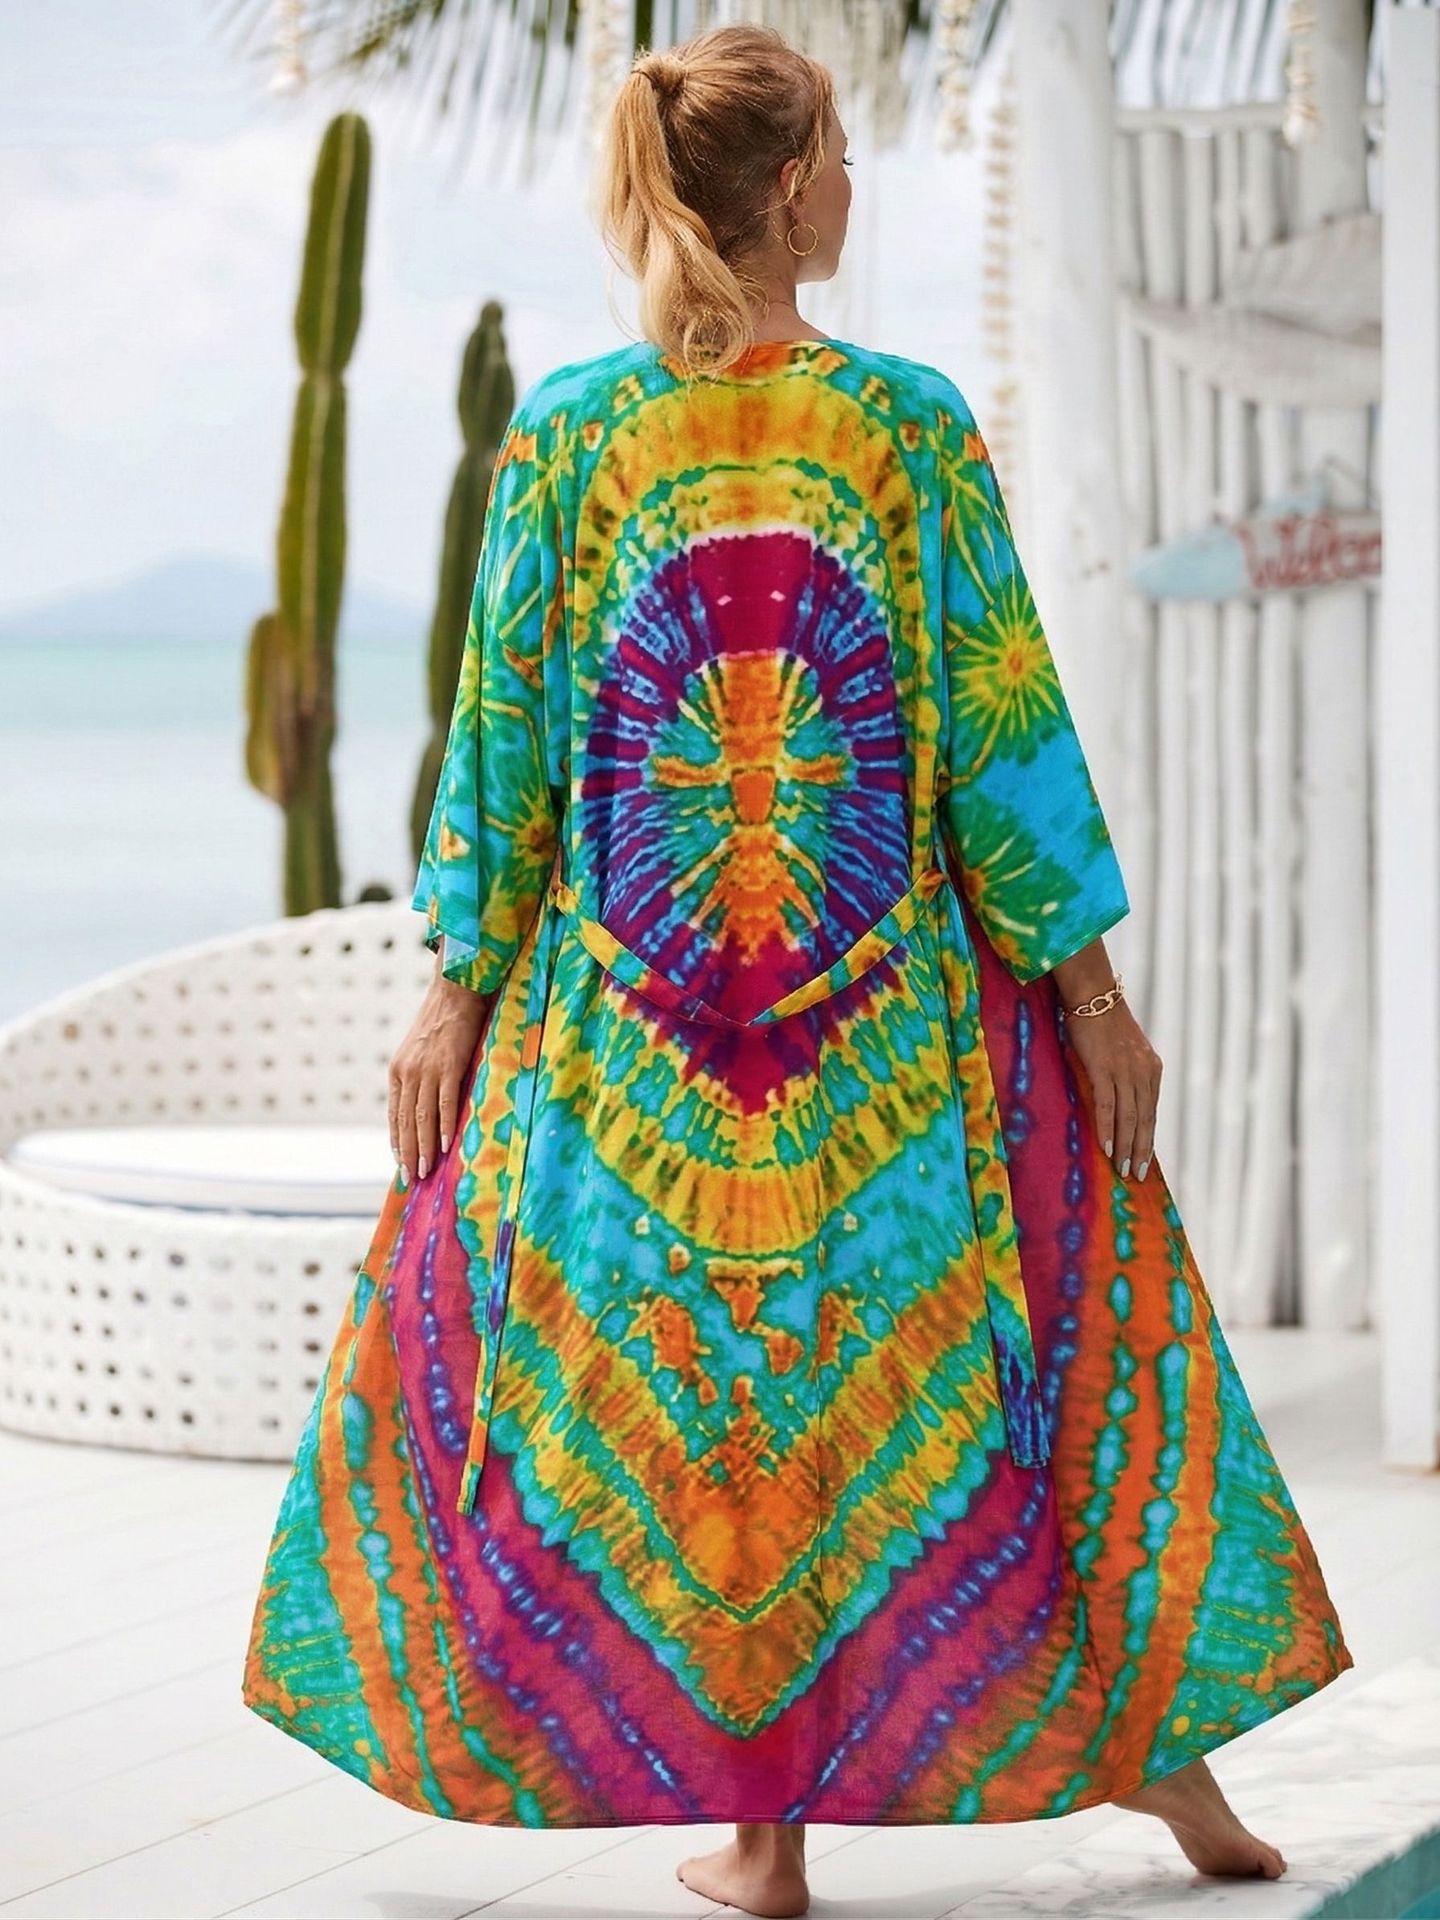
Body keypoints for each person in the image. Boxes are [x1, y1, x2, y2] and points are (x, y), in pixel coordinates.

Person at [241, 23, 1353, 1918]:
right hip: (885, 1040)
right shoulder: (904, 425)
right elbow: (1001, 731)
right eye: (836, 154)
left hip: (638, 1049)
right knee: (994, 1379)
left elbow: (501, 742)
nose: (851, 184)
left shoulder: (569, 435)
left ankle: (779, 1843)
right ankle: (1129, 1766)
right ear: (781, 192)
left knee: (686, 1420)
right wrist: (1090, 998)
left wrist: (456, 991)